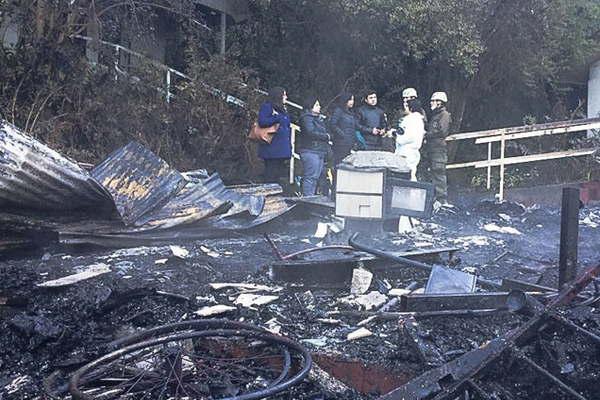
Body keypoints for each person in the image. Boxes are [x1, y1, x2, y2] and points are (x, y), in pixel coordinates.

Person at [257, 87, 292, 187]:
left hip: (281, 149)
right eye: (284, 94)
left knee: (278, 176)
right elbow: (262, 121)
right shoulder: (267, 107)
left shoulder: (283, 109)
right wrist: (276, 117)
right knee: (270, 175)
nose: (286, 97)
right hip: (271, 148)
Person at [297, 95, 330, 196]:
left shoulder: (317, 119)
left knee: (315, 177)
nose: (319, 107)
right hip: (310, 150)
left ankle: (310, 197)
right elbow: (310, 132)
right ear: (310, 106)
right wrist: (326, 136)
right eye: (316, 105)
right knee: (310, 177)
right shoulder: (306, 118)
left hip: (319, 151)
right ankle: (307, 198)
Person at [425, 91, 452, 204]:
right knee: (434, 173)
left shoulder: (444, 115)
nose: (432, 103)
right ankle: (437, 199)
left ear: (440, 103)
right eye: (432, 101)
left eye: (435, 101)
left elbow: (442, 131)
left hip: (438, 149)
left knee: (439, 173)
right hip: (433, 149)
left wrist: (426, 134)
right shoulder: (436, 115)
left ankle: (442, 200)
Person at [396, 99, 426, 181]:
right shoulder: (418, 120)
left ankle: (411, 193)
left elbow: (409, 136)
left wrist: (398, 138)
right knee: (411, 172)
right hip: (412, 151)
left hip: (407, 151)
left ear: (411, 108)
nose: (405, 108)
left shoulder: (412, 120)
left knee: (407, 175)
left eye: (406, 106)